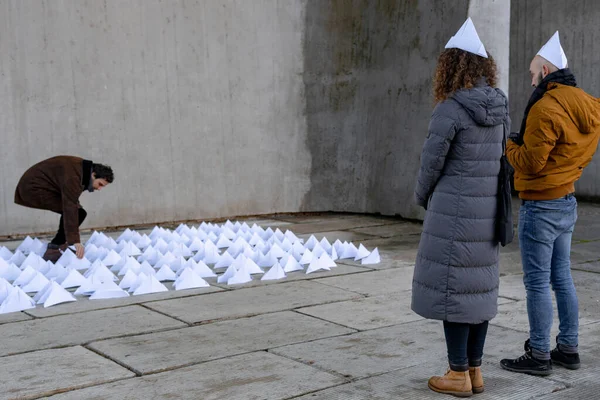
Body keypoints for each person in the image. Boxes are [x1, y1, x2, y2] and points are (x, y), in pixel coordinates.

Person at [412, 18, 509, 397]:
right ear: (484, 66)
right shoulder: (500, 107)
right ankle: (474, 371)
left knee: (454, 294)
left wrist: (422, 197)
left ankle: (456, 375)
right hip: (486, 215)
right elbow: (503, 161)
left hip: (452, 214)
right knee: (477, 294)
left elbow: (430, 164)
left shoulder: (450, 109)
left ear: (451, 66)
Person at [500, 32, 600, 375]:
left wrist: (509, 146)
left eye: (532, 74)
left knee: (538, 283)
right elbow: (578, 151)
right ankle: (568, 349)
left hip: (541, 207)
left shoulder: (545, 107)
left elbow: (530, 162)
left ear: (545, 71)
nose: (530, 80)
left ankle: (540, 354)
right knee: (562, 278)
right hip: (567, 202)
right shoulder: (588, 104)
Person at [14, 156, 114, 262]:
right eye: (100, 184)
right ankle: (54, 248)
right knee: (76, 212)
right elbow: (70, 207)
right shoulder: (74, 177)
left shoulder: (81, 171)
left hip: (42, 186)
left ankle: (59, 244)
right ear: (93, 175)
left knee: (79, 212)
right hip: (33, 189)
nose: (99, 189)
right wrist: (75, 241)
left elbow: (72, 198)